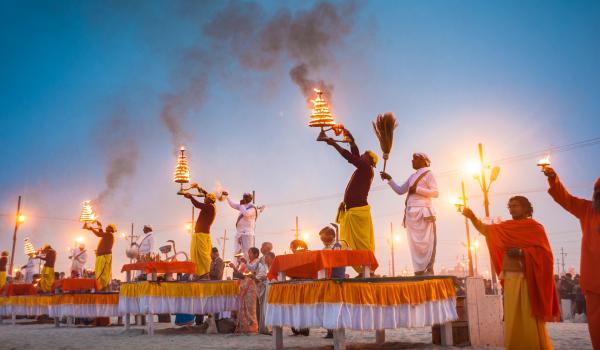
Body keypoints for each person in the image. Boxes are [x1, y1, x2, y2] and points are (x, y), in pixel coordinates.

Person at [462, 196, 559, 349]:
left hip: (528, 278)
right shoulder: (505, 227)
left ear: (526, 208)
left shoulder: (536, 228)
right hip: (510, 277)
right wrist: (472, 217)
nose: (512, 209)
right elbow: (486, 230)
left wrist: (522, 252)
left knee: (528, 315)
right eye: (510, 206)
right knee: (513, 315)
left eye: (516, 206)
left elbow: (546, 255)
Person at [543, 167, 599, 349]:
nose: (598, 193)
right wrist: (553, 178)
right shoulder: (587, 210)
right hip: (594, 282)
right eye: (596, 190)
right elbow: (565, 199)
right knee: (597, 326)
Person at [324, 128, 377, 273]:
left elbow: (350, 157)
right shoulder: (363, 168)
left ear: (369, 161)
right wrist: (351, 138)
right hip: (353, 212)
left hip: (359, 213)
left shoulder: (366, 168)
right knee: (352, 245)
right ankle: (363, 272)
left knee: (362, 244)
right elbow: (354, 155)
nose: (361, 156)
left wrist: (334, 144)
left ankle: (368, 271)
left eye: (364, 155)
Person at [380, 153, 439, 275]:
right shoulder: (412, 176)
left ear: (424, 161)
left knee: (427, 243)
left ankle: (428, 269)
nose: (412, 161)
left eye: (415, 159)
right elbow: (400, 190)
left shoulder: (429, 173)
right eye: (412, 159)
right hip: (411, 214)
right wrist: (389, 179)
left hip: (424, 212)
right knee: (415, 245)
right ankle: (419, 270)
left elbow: (435, 193)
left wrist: (417, 190)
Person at [183, 184, 216, 280]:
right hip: (199, 234)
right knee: (196, 255)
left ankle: (208, 272)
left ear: (209, 200)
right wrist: (199, 188)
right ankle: (200, 273)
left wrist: (190, 197)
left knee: (203, 255)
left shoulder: (210, 207)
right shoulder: (210, 204)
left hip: (202, 235)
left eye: (206, 199)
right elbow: (206, 194)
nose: (204, 199)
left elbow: (197, 205)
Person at [223, 191, 265, 262]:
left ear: (250, 199)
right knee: (237, 253)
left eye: (246, 197)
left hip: (247, 234)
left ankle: (247, 270)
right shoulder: (242, 205)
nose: (244, 198)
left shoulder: (253, 208)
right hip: (239, 233)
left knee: (247, 253)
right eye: (244, 197)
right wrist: (227, 197)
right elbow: (232, 204)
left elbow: (246, 214)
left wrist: (241, 205)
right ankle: (237, 269)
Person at [84, 220, 115, 291]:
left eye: (108, 227)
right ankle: (100, 288)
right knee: (99, 273)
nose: (106, 227)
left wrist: (91, 229)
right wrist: (99, 225)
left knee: (103, 274)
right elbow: (101, 233)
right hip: (101, 257)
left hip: (104, 257)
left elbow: (99, 234)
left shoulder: (109, 234)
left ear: (111, 229)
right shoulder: (106, 234)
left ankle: (103, 288)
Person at [236, 247, 260, 334]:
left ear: (256, 254)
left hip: (251, 288)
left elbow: (253, 270)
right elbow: (241, 274)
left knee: (250, 309)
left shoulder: (257, 261)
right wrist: (237, 265)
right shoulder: (248, 262)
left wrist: (245, 263)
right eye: (248, 253)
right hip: (244, 287)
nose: (248, 255)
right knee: (243, 308)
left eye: (250, 253)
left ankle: (252, 328)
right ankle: (244, 327)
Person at [257, 251, 275, 335]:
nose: (266, 259)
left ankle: (274, 328)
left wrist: (267, 277)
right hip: (266, 289)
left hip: (275, 289)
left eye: (267, 258)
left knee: (274, 308)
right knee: (266, 308)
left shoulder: (276, 266)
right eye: (265, 258)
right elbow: (259, 277)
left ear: (272, 258)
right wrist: (256, 277)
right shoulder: (264, 267)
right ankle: (268, 329)